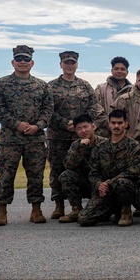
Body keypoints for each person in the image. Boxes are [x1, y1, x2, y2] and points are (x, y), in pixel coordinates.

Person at [0, 45, 53, 226]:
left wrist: (38, 126)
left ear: (32, 63)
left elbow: (48, 110)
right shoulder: (1, 84)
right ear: (13, 62)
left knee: (36, 175)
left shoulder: (42, 86)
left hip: (35, 138)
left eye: (26, 59)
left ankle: (36, 210)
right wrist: (16, 124)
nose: (22, 62)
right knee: (6, 174)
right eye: (19, 59)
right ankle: (1, 211)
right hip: (11, 139)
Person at [46, 50, 102, 220]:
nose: (69, 65)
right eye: (66, 63)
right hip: (58, 136)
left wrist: (80, 124)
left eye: (72, 62)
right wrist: (65, 123)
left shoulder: (85, 86)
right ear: (60, 65)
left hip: (81, 136)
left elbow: (94, 107)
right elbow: (47, 110)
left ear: (76, 65)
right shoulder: (51, 86)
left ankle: (81, 205)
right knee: (57, 170)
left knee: (84, 168)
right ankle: (59, 205)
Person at [78, 109, 140, 227]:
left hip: (126, 188)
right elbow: (94, 172)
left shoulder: (134, 147)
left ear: (126, 124)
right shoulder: (100, 147)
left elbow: (133, 172)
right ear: (109, 124)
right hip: (106, 191)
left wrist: (110, 183)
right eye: (113, 123)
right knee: (84, 219)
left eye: (120, 123)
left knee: (122, 182)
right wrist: (99, 185)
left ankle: (126, 211)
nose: (116, 126)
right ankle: (113, 209)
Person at [58, 114, 97, 223]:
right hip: (86, 184)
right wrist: (81, 148)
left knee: (95, 217)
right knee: (66, 176)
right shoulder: (76, 145)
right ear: (75, 131)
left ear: (93, 126)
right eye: (79, 129)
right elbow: (69, 165)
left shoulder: (105, 143)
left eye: (86, 127)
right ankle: (76, 209)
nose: (83, 131)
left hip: (101, 184)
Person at [94, 56, 133, 128]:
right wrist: (110, 124)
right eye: (116, 69)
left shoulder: (133, 91)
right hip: (104, 130)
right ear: (112, 71)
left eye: (122, 69)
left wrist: (123, 126)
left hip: (127, 131)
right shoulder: (100, 89)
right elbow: (96, 108)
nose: (119, 71)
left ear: (127, 72)